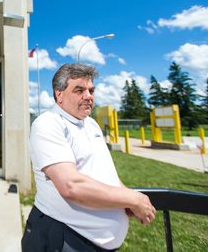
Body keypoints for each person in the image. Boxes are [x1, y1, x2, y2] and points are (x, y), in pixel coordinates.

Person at [22, 63, 156, 252]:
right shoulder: (48, 124)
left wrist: (125, 198)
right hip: (63, 239)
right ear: (59, 94)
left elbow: (105, 172)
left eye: (91, 90)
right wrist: (132, 199)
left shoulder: (91, 124)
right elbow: (72, 186)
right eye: (79, 90)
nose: (88, 96)